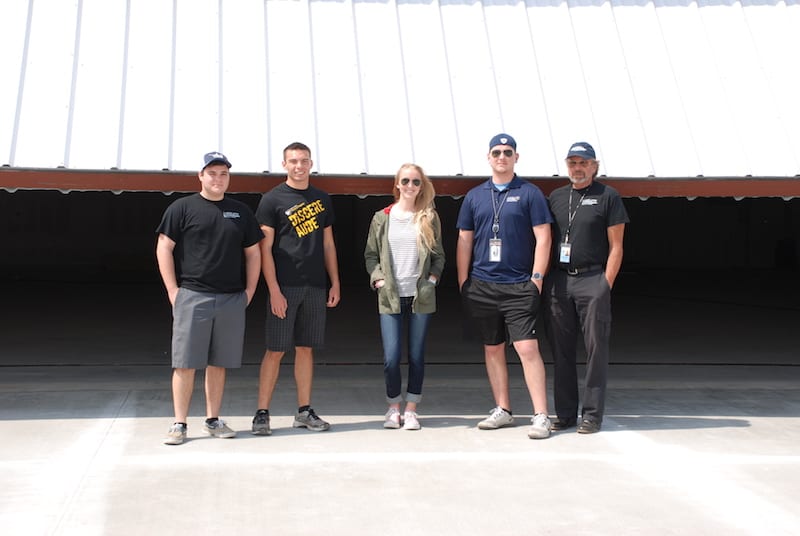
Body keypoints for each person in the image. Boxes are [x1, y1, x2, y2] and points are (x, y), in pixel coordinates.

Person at [156, 152, 263, 445]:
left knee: (219, 363)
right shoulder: (182, 208)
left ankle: (213, 420)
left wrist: (250, 290)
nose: (218, 179)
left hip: (231, 299)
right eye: (212, 173)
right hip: (193, 296)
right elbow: (164, 247)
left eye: (223, 174)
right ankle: (179, 424)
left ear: (229, 178)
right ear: (200, 176)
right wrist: (172, 290)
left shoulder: (240, 212)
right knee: (185, 363)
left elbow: (253, 252)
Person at [456, 133, 554, 440]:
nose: (502, 157)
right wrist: (463, 281)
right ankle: (503, 410)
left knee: (527, 348)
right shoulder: (474, 196)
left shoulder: (530, 193)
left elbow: (544, 237)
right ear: (488, 157)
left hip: (519, 285)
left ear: (516, 157)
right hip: (483, 285)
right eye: (496, 152)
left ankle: (541, 415)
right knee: (493, 348)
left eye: (507, 152)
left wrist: (536, 278)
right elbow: (464, 241)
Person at [251, 142, 340, 435]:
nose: (299, 166)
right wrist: (274, 290)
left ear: (311, 163)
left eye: (303, 161)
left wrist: (335, 281)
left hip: (315, 286)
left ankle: (304, 411)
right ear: (284, 164)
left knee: (305, 349)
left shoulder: (322, 198)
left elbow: (328, 243)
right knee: (275, 350)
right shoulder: (271, 200)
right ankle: (262, 413)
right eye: (293, 161)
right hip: (285, 287)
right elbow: (265, 249)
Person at [544, 141, 629, 434]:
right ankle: (565, 413)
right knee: (561, 350)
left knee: (595, 350)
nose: (577, 168)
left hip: (593, 279)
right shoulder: (555, 197)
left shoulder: (608, 197)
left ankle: (591, 414)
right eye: (572, 162)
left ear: (594, 166)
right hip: (559, 280)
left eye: (583, 163)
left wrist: (605, 284)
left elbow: (617, 246)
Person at [364, 164, 445, 430]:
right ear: (397, 185)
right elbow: (371, 255)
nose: (411, 186)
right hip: (390, 296)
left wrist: (431, 280)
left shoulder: (428, 217)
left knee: (417, 355)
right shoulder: (382, 217)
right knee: (391, 356)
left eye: (416, 182)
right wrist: (378, 278)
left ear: (422, 186)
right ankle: (393, 407)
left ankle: (411, 409)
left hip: (420, 296)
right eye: (406, 181)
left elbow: (438, 256)